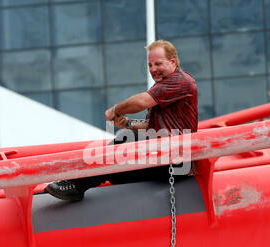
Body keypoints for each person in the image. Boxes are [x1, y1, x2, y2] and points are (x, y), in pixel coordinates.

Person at [45, 40, 198, 201]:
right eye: (150, 65)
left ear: (172, 61)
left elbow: (141, 102)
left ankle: (76, 185)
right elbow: (153, 127)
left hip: (176, 163)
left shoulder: (180, 81)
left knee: (122, 142)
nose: (153, 69)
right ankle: (74, 183)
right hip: (165, 156)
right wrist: (127, 123)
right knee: (119, 165)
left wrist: (115, 110)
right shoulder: (165, 86)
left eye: (158, 64)